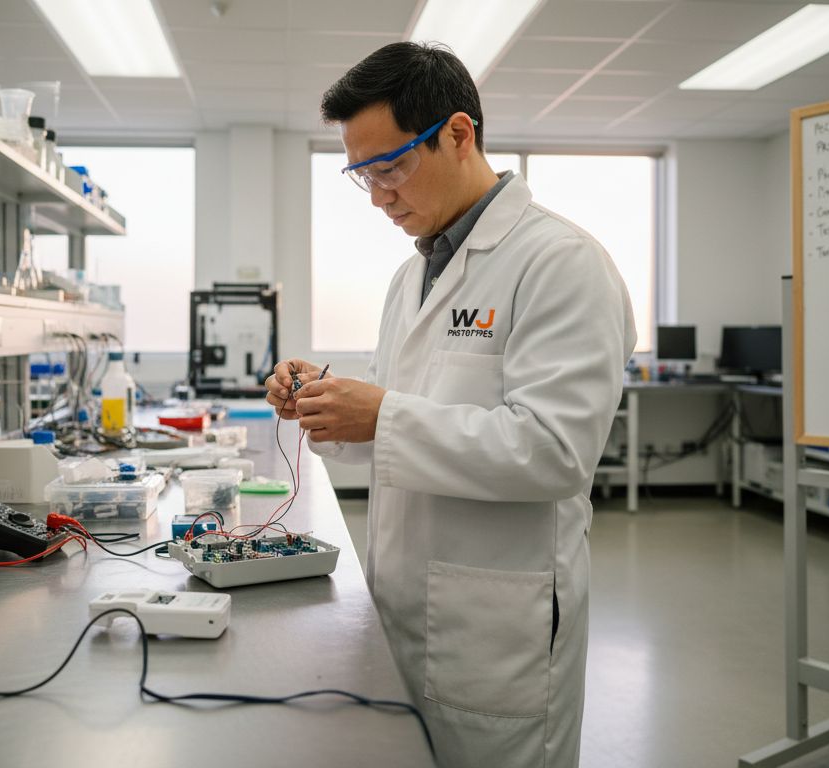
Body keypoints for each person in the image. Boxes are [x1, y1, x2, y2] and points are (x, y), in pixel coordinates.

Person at [265, 42, 636, 767]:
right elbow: (401, 418)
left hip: (500, 622)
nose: (379, 196)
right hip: (404, 596)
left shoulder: (561, 263)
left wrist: (382, 415)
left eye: (392, 167)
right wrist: (323, 403)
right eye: (361, 175)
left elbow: (555, 452)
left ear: (459, 134)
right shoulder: (413, 276)